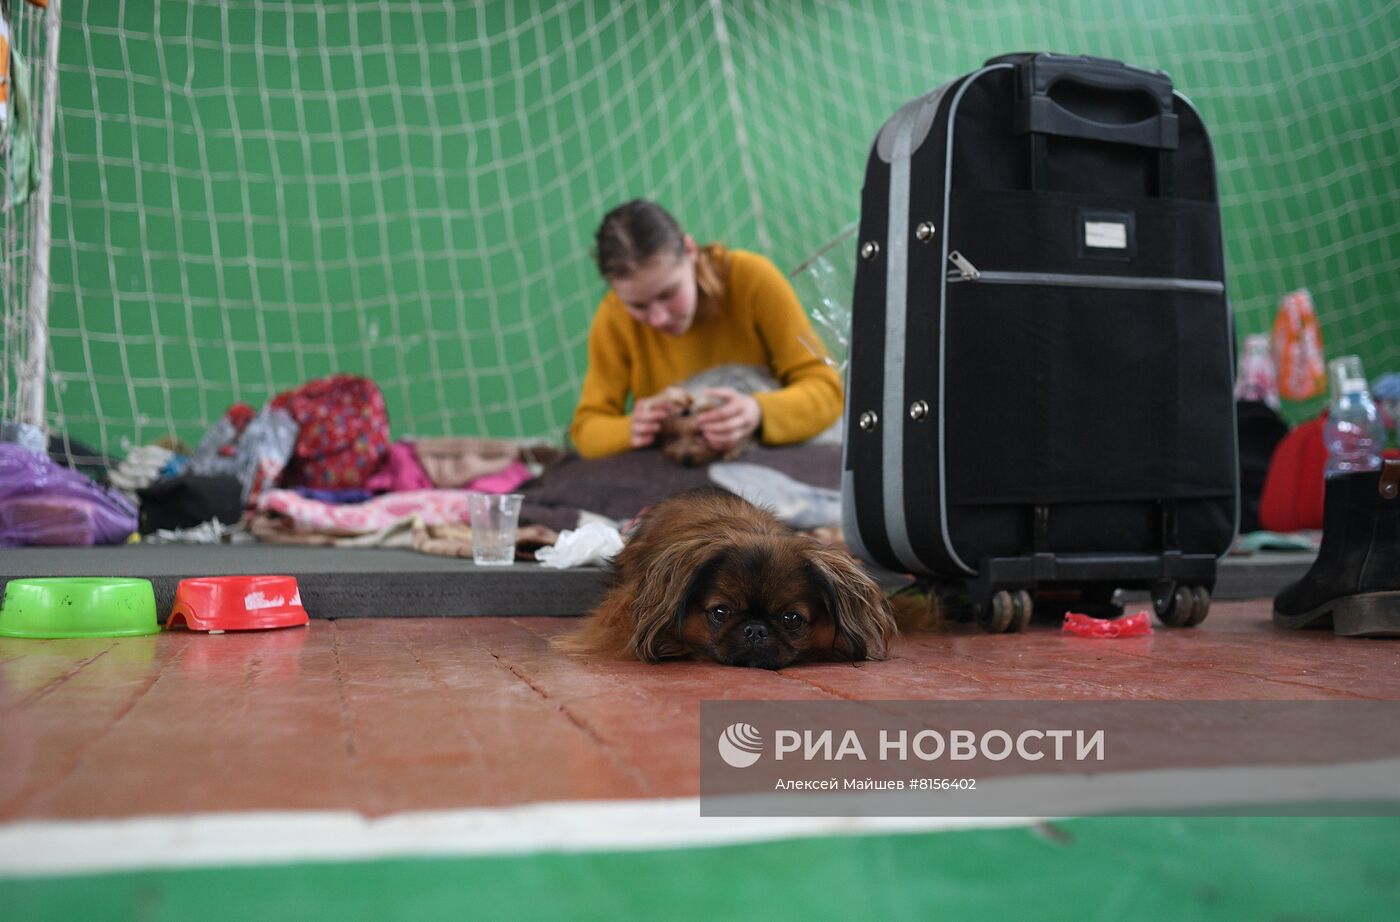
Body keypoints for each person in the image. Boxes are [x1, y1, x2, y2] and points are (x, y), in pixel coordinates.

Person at [570, 200, 843, 459]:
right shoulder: (613, 316)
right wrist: (632, 429)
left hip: (774, 454)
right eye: (638, 306)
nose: (658, 318)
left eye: (668, 294)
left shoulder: (752, 279)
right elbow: (586, 430)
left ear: (690, 251)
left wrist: (758, 412)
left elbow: (829, 393)